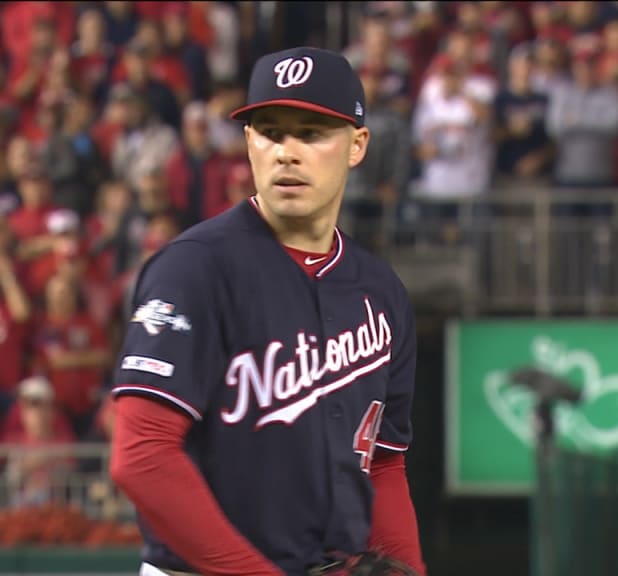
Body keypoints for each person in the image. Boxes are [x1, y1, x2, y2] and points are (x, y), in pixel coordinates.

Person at [108, 47, 425, 576]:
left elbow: (384, 463)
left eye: (312, 132)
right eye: (270, 131)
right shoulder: (194, 269)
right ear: (249, 143)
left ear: (357, 145)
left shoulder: (380, 292)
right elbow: (142, 457)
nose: (286, 152)